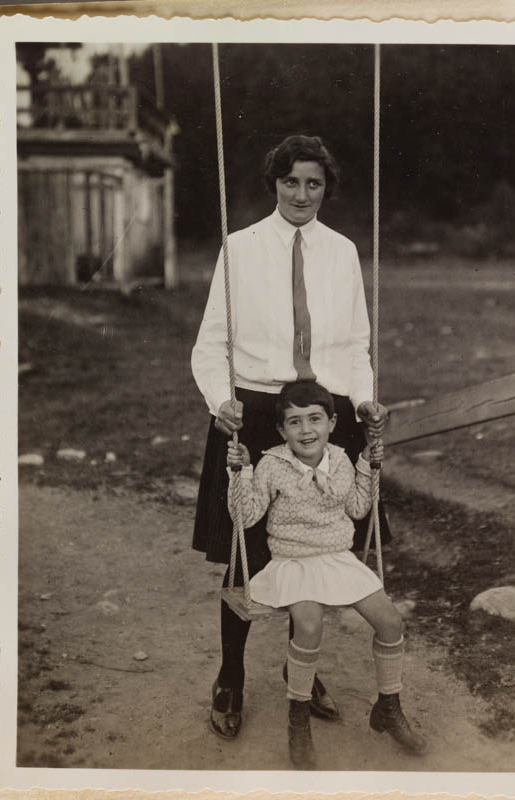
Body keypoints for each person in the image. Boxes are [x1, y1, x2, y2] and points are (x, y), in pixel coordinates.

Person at [191, 134, 389, 740]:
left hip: (328, 412)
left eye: (314, 184)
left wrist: (363, 400)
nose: (302, 195)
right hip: (254, 408)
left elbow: (355, 345)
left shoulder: (343, 251)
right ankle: (231, 676)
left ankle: (297, 664)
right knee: (246, 553)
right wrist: (220, 402)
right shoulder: (241, 247)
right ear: (273, 183)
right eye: (291, 182)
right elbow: (211, 345)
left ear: (326, 189)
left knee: (323, 546)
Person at [226, 380, 425, 769]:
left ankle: (389, 705)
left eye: (314, 419)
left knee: (390, 621)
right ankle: (298, 720)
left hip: (336, 559)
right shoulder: (272, 465)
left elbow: (356, 507)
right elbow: (247, 516)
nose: (306, 430)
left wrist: (368, 464)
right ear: (282, 431)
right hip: (294, 563)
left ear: (332, 423)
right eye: (295, 422)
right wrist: (241, 473)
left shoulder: (340, 459)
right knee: (309, 624)